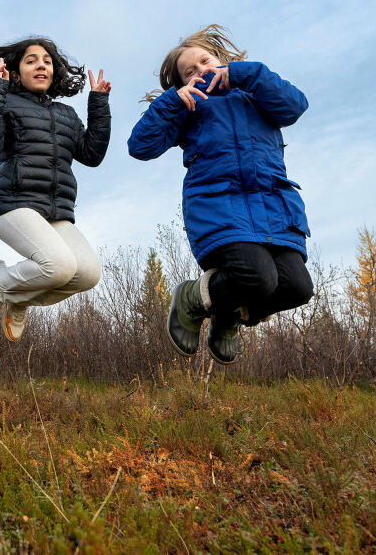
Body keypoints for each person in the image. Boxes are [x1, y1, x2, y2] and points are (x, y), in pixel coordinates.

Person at [127, 24, 313, 364]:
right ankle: (192, 298)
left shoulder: (255, 96)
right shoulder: (188, 109)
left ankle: (230, 313)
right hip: (220, 208)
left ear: (221, 60)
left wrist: (246, 74)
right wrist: (173, 101)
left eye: (205, 61)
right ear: (184, 83)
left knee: (297, 288)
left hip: (272, 208)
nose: (200, 71)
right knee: (257, 276)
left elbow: (295, 106)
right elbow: (140, 146)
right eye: (189, 72)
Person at [0, 37, 111, 341]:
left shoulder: (66, 114)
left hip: (56, 212)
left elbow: (92, 156)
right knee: (59, 266)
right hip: (14, 205)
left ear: (54, 72)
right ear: (16, 73)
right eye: (31, 60)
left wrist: (98, 103)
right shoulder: (7, 102)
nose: (41, 64)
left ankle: (19, 298)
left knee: (87, 274)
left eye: (47, 61)